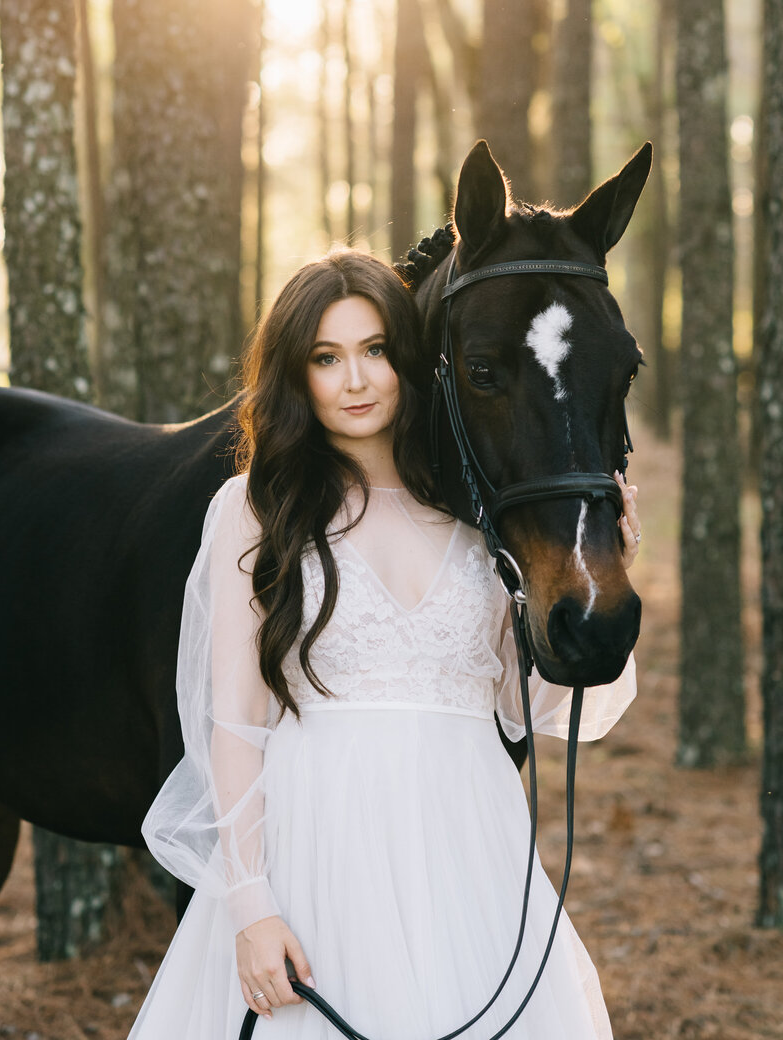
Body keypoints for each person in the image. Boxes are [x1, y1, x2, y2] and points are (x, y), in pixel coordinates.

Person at [127, 248, 641, 1040]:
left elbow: (526, 706)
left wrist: (600, 574)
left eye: (374, 350)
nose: (356, 380)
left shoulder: (477, 522)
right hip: (320, 856)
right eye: (326, 358)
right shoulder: (259, 511)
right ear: (296, 376)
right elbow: (235, 723)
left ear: (409, 360)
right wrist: (250, 901)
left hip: (471, 854)